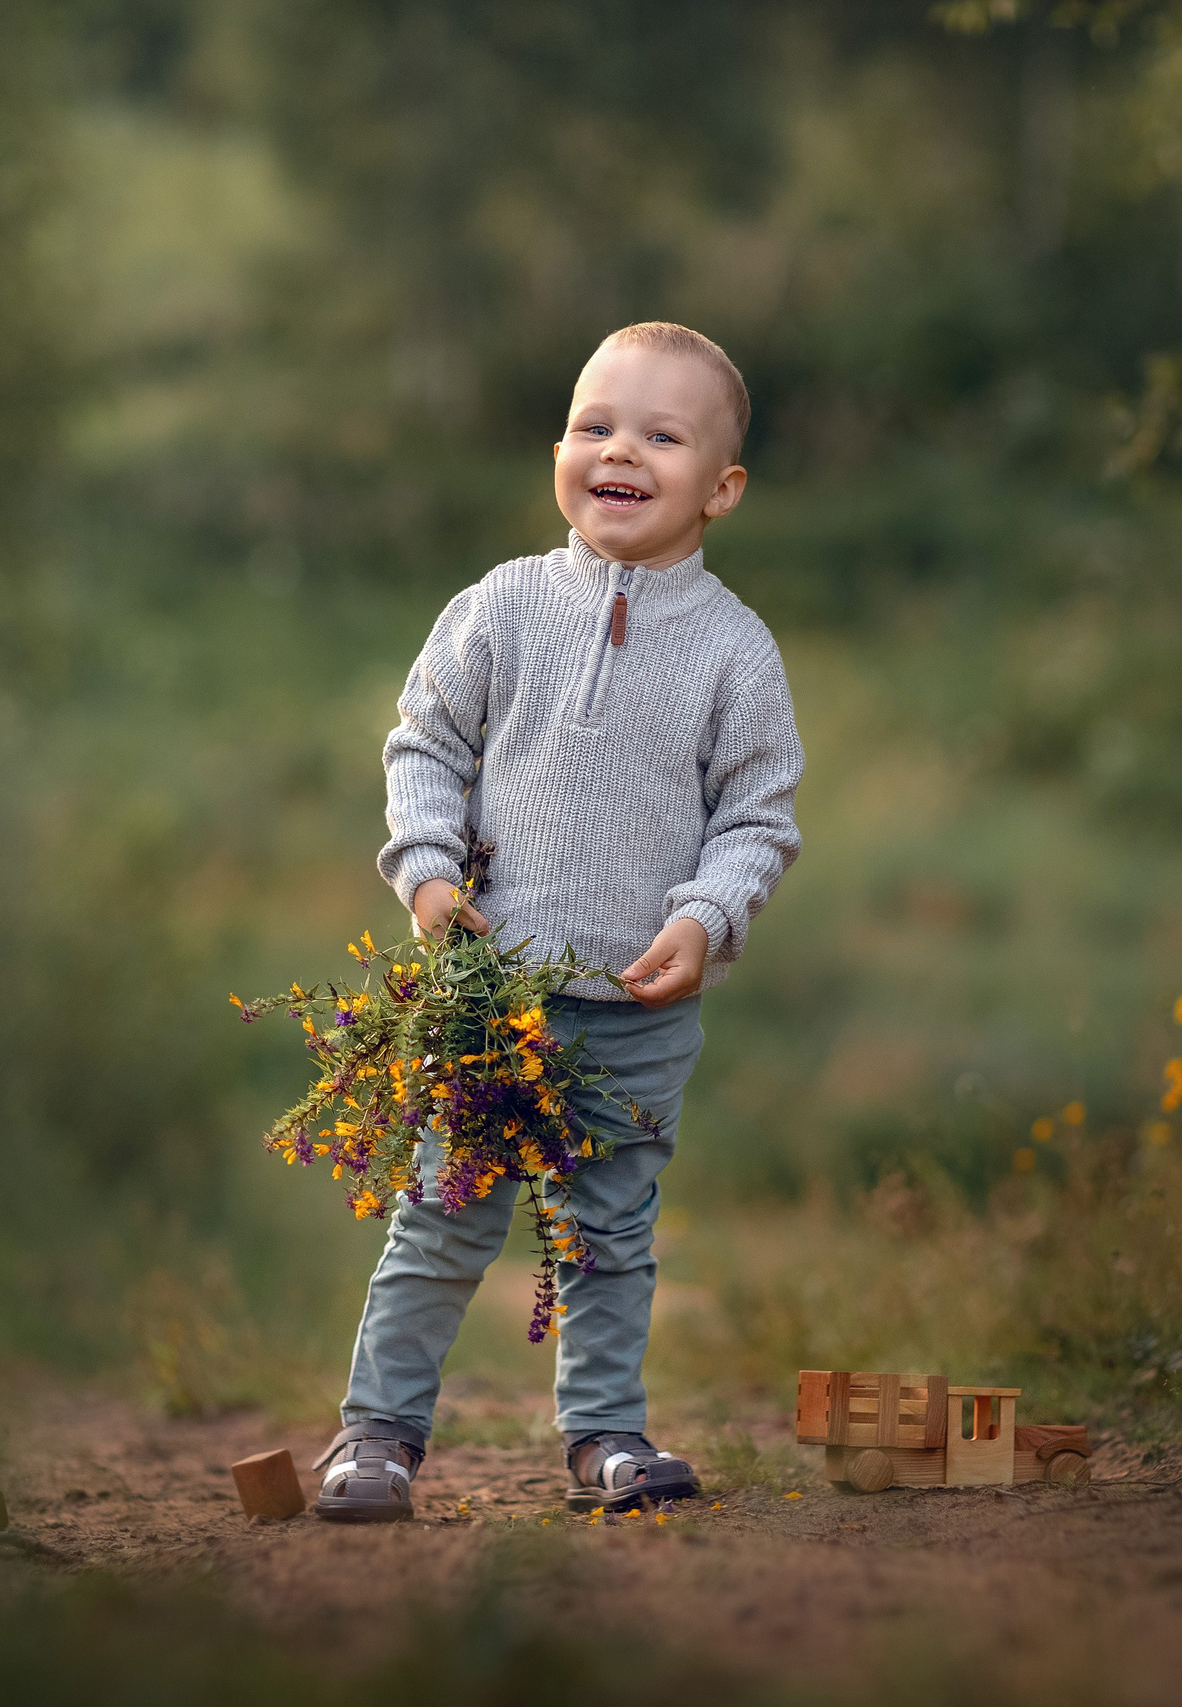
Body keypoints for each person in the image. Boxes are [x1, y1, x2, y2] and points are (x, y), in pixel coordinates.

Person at [313, 322, 804, 1522]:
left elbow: (756, 815)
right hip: (491, 1004)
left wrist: (707, 916)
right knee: (440, 1220)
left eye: (658, 434)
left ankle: (605, 1440)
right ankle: (376, 1436)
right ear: (558, 450)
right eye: (594, 426)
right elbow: (424, 743)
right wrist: (428, 874)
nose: (617, 450)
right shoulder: (502, 609)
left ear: (720, 488)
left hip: (634, 1014)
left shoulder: (734, 651)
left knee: (608, 1238)